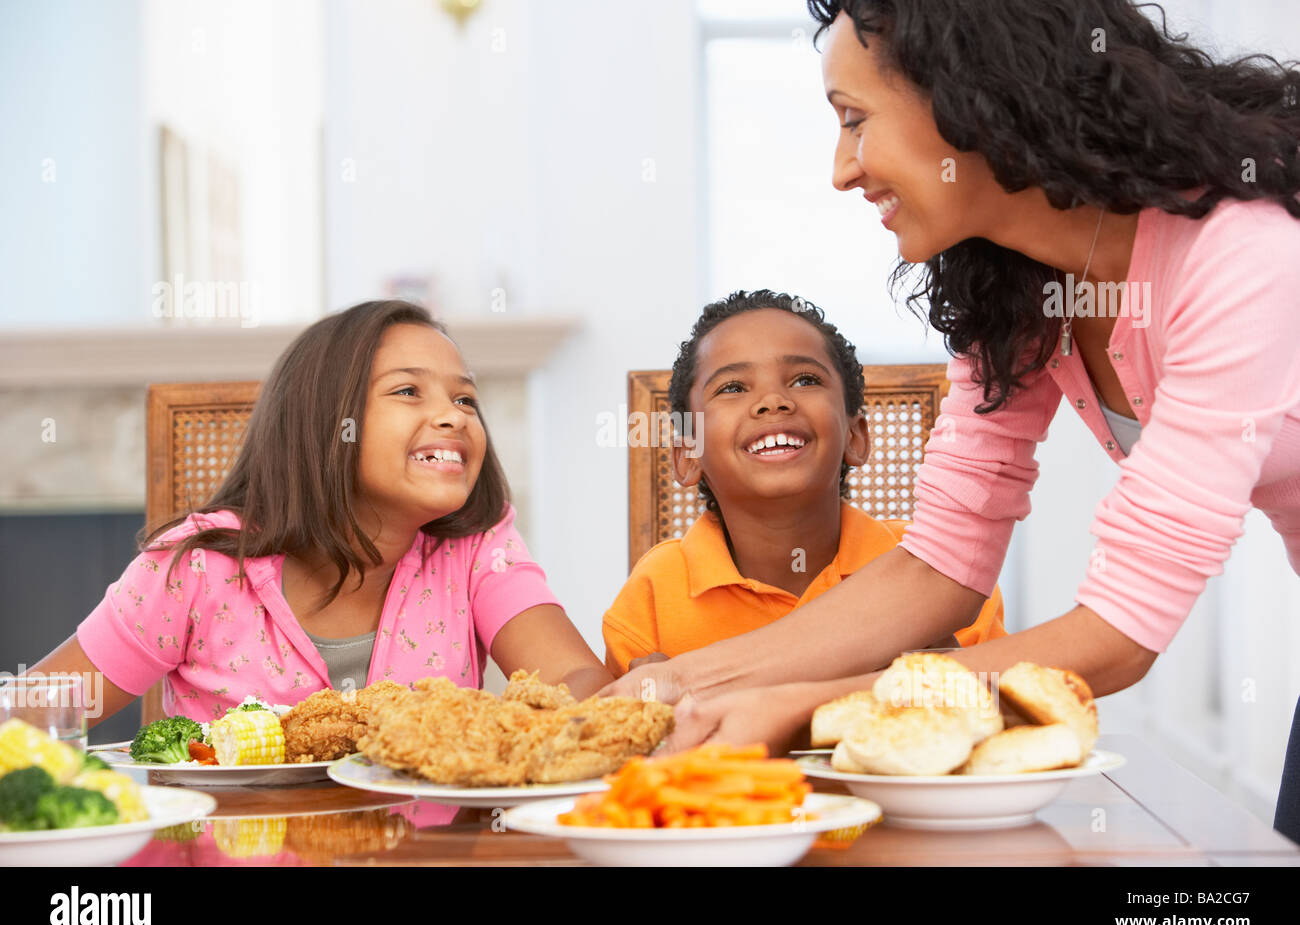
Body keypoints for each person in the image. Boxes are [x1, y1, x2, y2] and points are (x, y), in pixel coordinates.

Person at [601, 0, 1300, 754]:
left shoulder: (1242, 260)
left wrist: (805, 709)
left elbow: (1120, 632)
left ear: (972, 95)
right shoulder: (1024, 290)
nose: (842, 169)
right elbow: (941, 566)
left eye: (854, 119)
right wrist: (672, 685)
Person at [31, 300, 612, 724]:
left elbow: (572, 679)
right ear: (328, 423)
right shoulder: (199, 567)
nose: (454, 416)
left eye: (465, 399)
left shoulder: (478, 550)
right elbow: (40, 711)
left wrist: (567, 716)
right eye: (409, 392)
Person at [602, 289, 1007, 677]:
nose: (773, 401)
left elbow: (1003, 716)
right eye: (732, 388)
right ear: (688, 457)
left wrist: (950, 673)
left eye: (805, 380)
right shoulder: (654, 592)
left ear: (855, 436)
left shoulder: (937, 570)